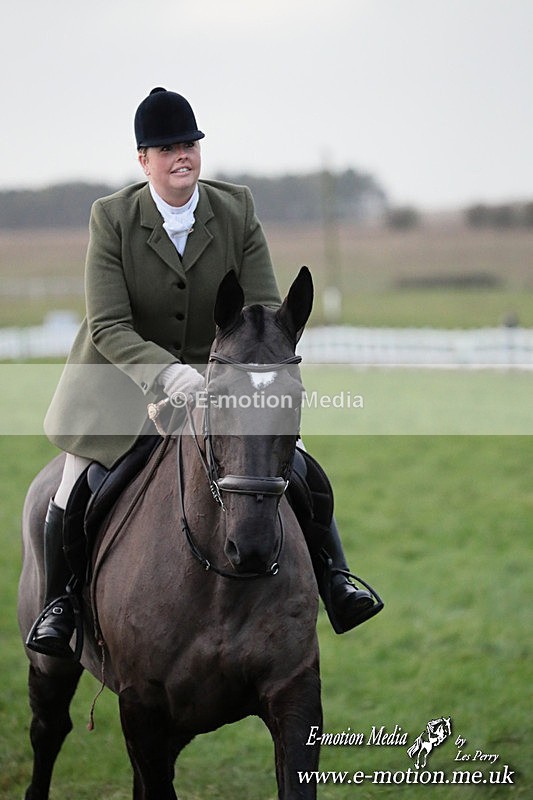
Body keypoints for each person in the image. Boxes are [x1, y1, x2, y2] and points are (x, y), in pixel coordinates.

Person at [26, 87, 382, 660]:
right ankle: (60, 607)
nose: (181, 156)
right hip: (120, 384)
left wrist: (234, 374)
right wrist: (168, 376)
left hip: (227, 380)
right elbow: (108, 325)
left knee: (300, 465)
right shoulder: (112, 219)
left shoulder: (235, 207)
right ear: (144, 161)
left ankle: (337, 581)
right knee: (72, 488)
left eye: (189, 144)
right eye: (166, 149)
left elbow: (265, 310)